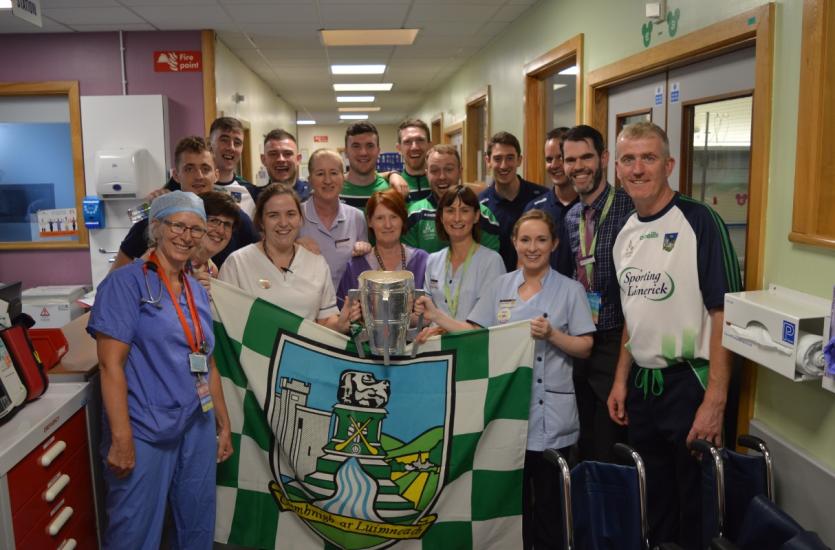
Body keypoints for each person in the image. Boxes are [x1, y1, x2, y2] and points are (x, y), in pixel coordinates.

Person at [415, 209, 595, 550]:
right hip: (506, 411)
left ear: (554, 244)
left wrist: (553, 334)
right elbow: (474, 333)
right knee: (511, 504)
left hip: (550, 415)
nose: (532, 247)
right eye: (525, 239)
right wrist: (436, 316)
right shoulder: (500, 287)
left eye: (541, 240)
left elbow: (585, 346)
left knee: (550, 504)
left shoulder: (570, 290)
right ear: (513, 242)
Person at [607, 122, 741, 549]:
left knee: (696, 508)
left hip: (692, 383)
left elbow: (724, 313)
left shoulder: (699, 221)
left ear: (669, 164)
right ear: (617, 168)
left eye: (648, 158)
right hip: (645, 390)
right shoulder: (624, 232)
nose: (638, 168)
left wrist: (715, 401)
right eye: (628, 159)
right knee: (654, 500)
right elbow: (635, 309)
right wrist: (620, 379)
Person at [87, 191, 233, 549]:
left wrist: (224, 423)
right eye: (178, 226)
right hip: (145, 428)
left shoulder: (195, 289)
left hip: (195, 423)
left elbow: (207, 359)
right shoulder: (124, 284)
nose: (187, 236)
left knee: (197, 523)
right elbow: (110, 364)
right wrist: (122, 439)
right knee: (134, 530)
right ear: (156, 227)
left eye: (196, 230)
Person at [561, 124, 633, 463]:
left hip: (616, 342)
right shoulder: (570, 216)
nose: (578, 167)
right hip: (577, 343)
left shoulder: (629, 208)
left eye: (586, 157)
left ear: (603, 158)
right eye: (570, 160)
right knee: (581, 440)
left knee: (610, 442)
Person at [218, 183, 359, 332]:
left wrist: (340, 324)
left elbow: (325, 321)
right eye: (273, 215)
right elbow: (224, 324)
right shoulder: (237, 264)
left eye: (290, 214)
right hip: (252, 354)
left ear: (300, 219)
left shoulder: (316, 263)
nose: (283, 223)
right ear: (261, 221)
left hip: (305, 354)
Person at [114, 136, 260, 270]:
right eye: (189, 169)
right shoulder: (155, 220)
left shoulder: (233, 217)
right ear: (176, 175)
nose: (199, 176)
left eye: (205, 169)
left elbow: (260, 263)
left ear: (216, 175)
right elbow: (115, 281)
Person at [423, 185, 505, 325]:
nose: (457, 218)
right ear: (441, 217)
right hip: (437, 345)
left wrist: (439, 320)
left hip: (474, 345)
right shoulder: (433, 260)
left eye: (464, 211)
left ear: (476, 216)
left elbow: (484, 323)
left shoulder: (491, 262)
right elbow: (426, 317)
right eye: (450, 211)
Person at [337, 189, 429, 306]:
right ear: (370, 221)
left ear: (403, 219)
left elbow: (434, 311)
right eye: (380, 218)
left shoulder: (422, 262)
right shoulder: (355, 266)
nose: (388, 225)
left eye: (394, 217)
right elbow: (343, 312)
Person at [404, 144, 501, 253]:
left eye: (449, 169)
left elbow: (490, 262)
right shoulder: (414, 215)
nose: (442, 177)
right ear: (426, 174)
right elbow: (410, 264)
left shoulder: (483, 215)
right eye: (434, 170)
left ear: (460, 171)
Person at [297, 149, 369, 289]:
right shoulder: (296, 215)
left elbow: (363, 267)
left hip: (348, 305)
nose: (327, 180)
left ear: (343, 177)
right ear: (310, 179)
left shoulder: (356, 218)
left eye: (334, 173)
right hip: (306, 304)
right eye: (320, 174)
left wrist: (366, 249)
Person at [478, 131, 547, 271]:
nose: (504, 165)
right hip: (493, 286)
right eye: (497, 159)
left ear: (519, 160)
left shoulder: (542, 198)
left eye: (510, 158)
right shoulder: (479, 206)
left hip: (538, 284)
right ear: (488, 161)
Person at [523, 127, 577, 274]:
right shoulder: (534, 209)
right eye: (549, 159)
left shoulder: (589, 207)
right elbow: (523, 261)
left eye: (560, 157)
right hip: (543, 294)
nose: (554, 165)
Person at [339, 121, 408, 211]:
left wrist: (393, 174)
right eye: (356, 146)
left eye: (370, 146)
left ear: (378, 151)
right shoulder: (334, 189)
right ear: (346, 152)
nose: (363, 152)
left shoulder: (391, 191)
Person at [389, 118, 433, 202]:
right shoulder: (392, 187)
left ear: (429, 145)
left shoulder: (440, 184)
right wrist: (391, 174)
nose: (414, 147)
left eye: (420, 140)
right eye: (407, 142)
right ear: (399, 148)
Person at [260, 129, 311, 201]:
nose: (281, 159)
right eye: (273, 154)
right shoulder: (255, 198)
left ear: (298, 159)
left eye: (288, 153)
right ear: (263, 160)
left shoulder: (314, 195)